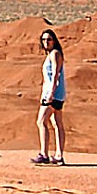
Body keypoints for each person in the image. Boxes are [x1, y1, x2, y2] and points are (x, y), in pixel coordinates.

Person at [32, 28, 68, 165]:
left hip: (53, 94)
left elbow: (55, 74)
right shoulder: (52, 54)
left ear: (54, 41)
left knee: (41, 121)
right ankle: (59, 155)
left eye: (49, 39)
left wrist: (51, 94)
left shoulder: (55, 54)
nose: (46, 42)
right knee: (57, 123)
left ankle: (44, 154)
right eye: (44, 40)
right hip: (57, 93)